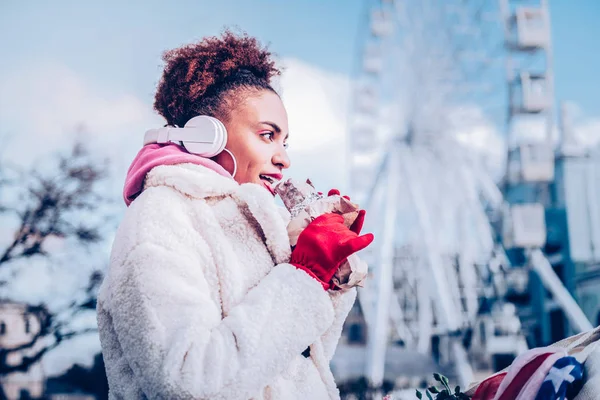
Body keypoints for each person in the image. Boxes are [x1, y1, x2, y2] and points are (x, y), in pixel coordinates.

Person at [96, 31, 374, 400]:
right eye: (266, 135)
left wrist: (328, 280)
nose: (284, 158)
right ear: (205, 136)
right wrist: (305, 274)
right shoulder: (159, 219)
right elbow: (186, 382)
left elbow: (290, 371)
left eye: (284, 141)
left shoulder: (256, 227)